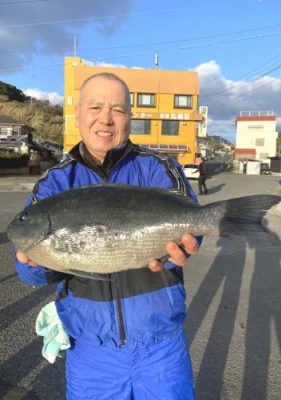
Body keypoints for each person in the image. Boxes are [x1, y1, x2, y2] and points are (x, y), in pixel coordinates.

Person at [15, 72, 202, 400]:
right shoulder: (55, 183)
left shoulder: (160, 167)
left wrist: (189, 243)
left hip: (162, 350)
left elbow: (190, 224)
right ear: (78, 114)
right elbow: (30, 273)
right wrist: (33, 263)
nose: (106, 118)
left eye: (117, 109)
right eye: (96, 107)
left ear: (130, 117)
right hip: (91, 355)